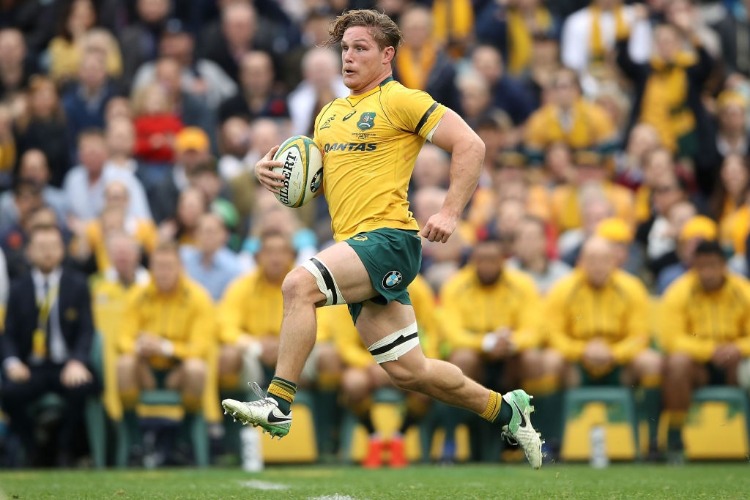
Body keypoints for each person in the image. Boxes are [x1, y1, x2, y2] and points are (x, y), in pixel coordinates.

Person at [222, 10, 543, 469]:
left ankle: (278, 404)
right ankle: (504, 409)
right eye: (344, 49)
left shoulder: (402, 101)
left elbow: (472, 144)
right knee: (412, 372)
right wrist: (267, 175)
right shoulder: (328, 114)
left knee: (298, 285)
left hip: (389, 239)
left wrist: (450, 212)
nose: (348, 58)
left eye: (360, 48)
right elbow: (312, 182)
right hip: (357, 247)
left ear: (387, 54)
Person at [0, 224, 99, 466]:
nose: (47, 253)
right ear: (30, 251)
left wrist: (77, 361)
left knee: (86, 387)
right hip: (31, 366)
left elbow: (87, 330)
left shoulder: (77, 284)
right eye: (41, 247)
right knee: (8, 392)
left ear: (62, 250)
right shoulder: (18, 287)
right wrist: (12, 363)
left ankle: (63, 447)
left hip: (66, 364)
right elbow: (8, 333)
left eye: (53, 247)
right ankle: (34, 447)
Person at [661, 239, 750, 462]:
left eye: (713, 266)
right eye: (702, 266)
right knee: (677, 363)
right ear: (693, 267)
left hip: (735, 363)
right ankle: (676, 437)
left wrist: (737, 348)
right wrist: (711, 350)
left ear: (724, 265)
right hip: (698, 367)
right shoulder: (679, 291)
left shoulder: (743, 290)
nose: (708, 273)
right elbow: (670, 339)